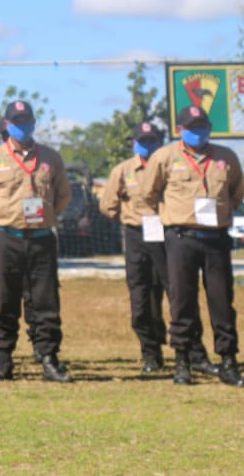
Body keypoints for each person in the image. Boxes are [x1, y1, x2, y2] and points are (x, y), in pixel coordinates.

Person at [98, 122, 218, 378]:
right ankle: (151, 353)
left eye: (153, 140)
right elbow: (108, 205)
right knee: (141, 299)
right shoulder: (123, 171)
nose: (148, 145)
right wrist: (130, 218)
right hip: (137, 236)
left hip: (168, 234)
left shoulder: (171, 165)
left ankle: (194, 353)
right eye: (143, 140)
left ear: (160, 141)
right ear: (134, 143)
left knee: (181, 296)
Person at [140, 105, 244, 387]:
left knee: (223, 302)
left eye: (203, 126)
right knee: (181, 301)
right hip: (181, 239)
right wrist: (171, 218)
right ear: (180, 130)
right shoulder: (165, 157)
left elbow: (236, 193)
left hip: (216, 239)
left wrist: (220, 215)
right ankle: (183, 361)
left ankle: (228, 361)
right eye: (193, 126)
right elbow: (148, 194)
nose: (199, 131)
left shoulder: (226, 157)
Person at [0, 100, 73, 383]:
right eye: (17, 120)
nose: (23, 124)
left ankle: (49, 358)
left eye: (27, 119)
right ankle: (2, 359)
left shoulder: (51, 158)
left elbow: (63, 195)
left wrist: (47, 216)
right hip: (8, 238)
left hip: (42, 240)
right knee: (3, 299)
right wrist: (6, 217)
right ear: (6, 124)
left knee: (45, 301)